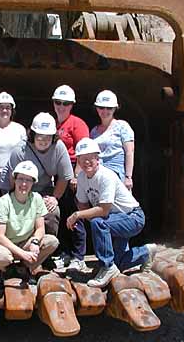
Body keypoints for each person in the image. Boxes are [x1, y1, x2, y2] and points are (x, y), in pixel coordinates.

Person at [66, 138, 157, 288]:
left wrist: (77, 216)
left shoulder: (106, 176)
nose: (86, 162)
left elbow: (103, 209)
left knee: (98, 222)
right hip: (113, 220)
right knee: (119, 263)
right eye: (82, 159)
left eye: (90, 158)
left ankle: (107, 267)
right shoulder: (82, 177)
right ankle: (146, 252)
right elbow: (82, 203)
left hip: (132, 217)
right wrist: (82, 214)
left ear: (97, 158)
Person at [0, 112, 73, 237]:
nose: (44, 141)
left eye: (48, 137)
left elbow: (64, 176)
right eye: (40, 136)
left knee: (52, 212)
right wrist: (22, 198)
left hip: (44, 188)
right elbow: (13, 178)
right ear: (33, 135)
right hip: (18, 188)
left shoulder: (59, 147)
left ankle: (46, 247)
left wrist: (54, 198)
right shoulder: (20, 150)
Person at [0, 161, 59, 275]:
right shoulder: (4, 201)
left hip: (24, 242)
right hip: (2, 245)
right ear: (15, 180)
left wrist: (34, 242)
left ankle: (24, 267)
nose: (24, 184)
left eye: (28, 180)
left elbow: (40, 229)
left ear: (33, 182)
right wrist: (22, 254)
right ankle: (1, 271)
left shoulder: (37, 198)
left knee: (51, 242)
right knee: (2, 258)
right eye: (20, 179)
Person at [51, 84, 89, 270]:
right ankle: (65, 253)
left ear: (72, 105)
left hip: (73, 171)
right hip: (58, 174)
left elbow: (84, 151)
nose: (61, 106)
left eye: (65, 103)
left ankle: (78, 256)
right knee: (63, 214)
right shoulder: (54, 124)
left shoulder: (77, 124)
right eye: (58, 102)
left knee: (76, 214)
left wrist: (76, 176)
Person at [90, 90, 135, 190]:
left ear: (115, 109)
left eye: (109, 108)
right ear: (96, 108)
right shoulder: (93, 131)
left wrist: (128, 177)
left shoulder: (122, 126)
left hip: (117, 177)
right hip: (98, 177)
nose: (105, 111)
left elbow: (129, 152)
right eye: (101, 107)